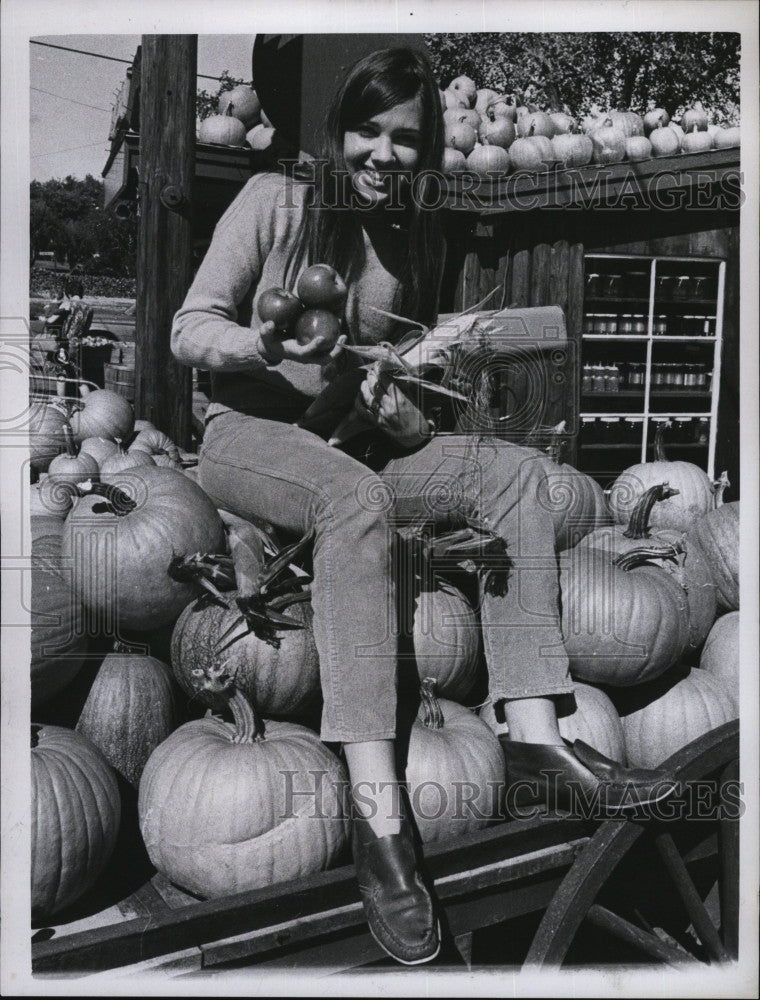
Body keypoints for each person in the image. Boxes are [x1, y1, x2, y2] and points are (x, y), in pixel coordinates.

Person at [172, 47, 676, 966]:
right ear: (339, 133)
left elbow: (388, 390)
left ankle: (535, 743)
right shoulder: (275, 202)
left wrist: (399, 404)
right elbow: (188, 328)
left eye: (406, 140)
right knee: (355, 501)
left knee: (514, 473)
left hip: (347, 443)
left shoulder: (411, 232)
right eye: (368, 131)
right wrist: (260, 342)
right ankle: (381, 821)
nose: (384, 154)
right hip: (246, 436)